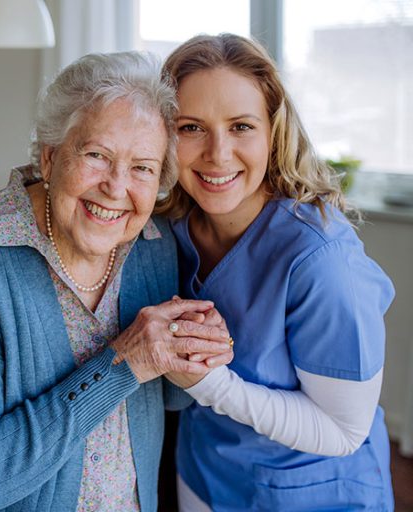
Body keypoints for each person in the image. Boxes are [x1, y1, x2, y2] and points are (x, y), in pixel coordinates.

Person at [0, 51, 233, 511]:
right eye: (97, 155)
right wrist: (123, 363)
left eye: (142, 167)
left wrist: (191, 350)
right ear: (51, 155)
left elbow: (167, 398)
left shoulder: (153, 243)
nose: (116, 188)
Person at [157, 33, 395, 510]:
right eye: (190, 128)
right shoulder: (168, 230)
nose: (218, 154)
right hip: (204, 474)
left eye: (241, 126)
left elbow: (344, 431)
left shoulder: (321, 260)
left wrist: (209, 383)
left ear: (273, 131)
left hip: (312, 492)